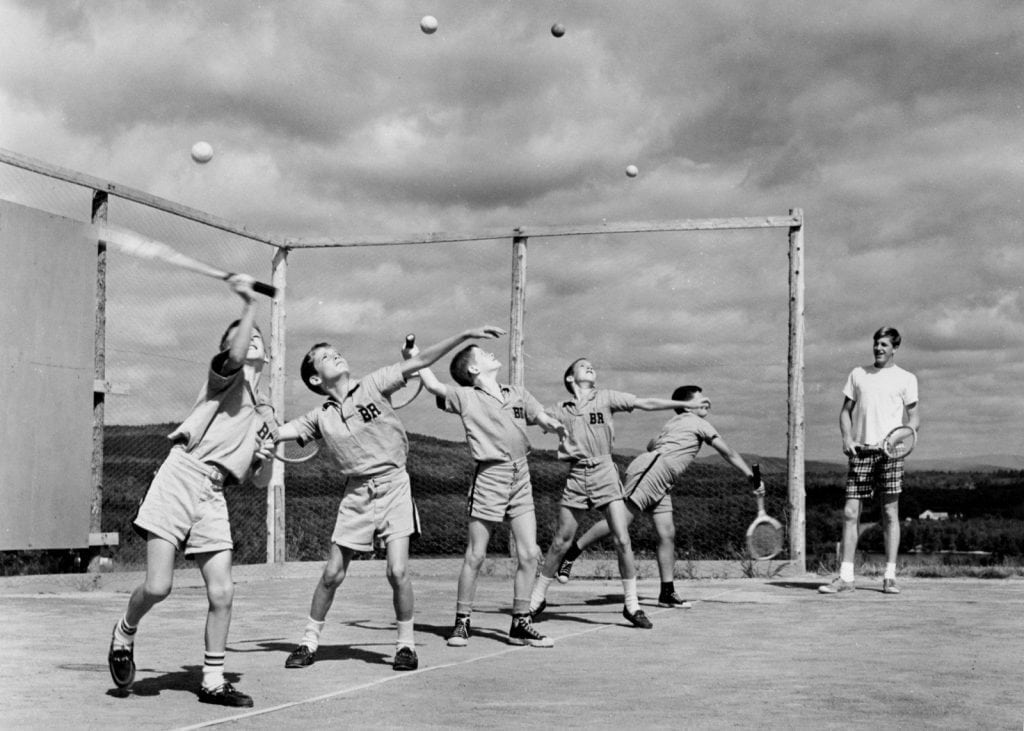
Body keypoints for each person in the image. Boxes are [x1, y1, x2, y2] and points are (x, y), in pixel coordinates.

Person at [274, 325, 506, 672]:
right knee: (332, 573)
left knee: (397, 571)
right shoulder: (319, 417)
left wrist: (463, 335)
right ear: (315, 380)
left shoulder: (374, 383)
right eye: (324, 356)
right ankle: (309, 641)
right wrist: (259, 436)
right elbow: (279, 433)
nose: (334, 354)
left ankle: (406, 645)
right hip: (356, 493)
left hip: (395, 485)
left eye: (334, 350)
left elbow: (422, 361)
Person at [107, 275, 274, 708]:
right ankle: (125, 630)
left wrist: (267, 452)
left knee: (223, 592)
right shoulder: (225, 379)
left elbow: (257, 480)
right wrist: (249, 306)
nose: (249, 341)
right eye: (242, 337)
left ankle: (213, 681)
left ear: (268, 354)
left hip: (215, 491)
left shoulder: (264, 409)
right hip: (180, 476)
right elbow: (236, 352)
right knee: (159, 587)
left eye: (257, 338)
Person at [528, 360, 709, 629]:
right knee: (560, 542)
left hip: (604, 472)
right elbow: (531, 416)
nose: (589, 367)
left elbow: (645, 403)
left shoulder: (606, 397)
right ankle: (536, 598)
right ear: (569, 379)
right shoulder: (560, 409)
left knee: (622, 539)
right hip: (577, 474)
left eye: (591, 365)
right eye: (582, 366)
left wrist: (687, 406)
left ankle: (632, 605)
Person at [557, 385, 763, 607]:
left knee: (667, 534)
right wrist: (752, 477)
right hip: (653, 472)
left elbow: (651, 444)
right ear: (687, 406)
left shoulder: (674, 423)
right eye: (700, 399)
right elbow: (727, 452)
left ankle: (667, 592)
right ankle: (572, 552)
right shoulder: (697, 422)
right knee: (621, 521)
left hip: (663, 479)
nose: (705, 403)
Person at [417, 343, 566, 648]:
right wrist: (414, 357)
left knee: (528, 554)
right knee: (476, 555)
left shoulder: (517, 393)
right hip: (490, 476)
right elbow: (432, 384)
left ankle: (520, 623)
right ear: (473, 369)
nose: (490, 354)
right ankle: (462, 623)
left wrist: (553, 426)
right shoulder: (466, 396)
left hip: (521, 475)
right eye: (483, 354)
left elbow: (540, 417)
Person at [819, 326, 919, 596]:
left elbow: (914, 421)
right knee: (851, 513)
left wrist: (894, 443)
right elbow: (845, 413)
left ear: (895, 348)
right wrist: (847, 439)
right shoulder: (858, 374)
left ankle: (889, 577)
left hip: (889, 454)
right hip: (861, 452)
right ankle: (845, 578)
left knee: (889, 514)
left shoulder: (907, 378)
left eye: (884, 345)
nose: (878, 349)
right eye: (876, 344)